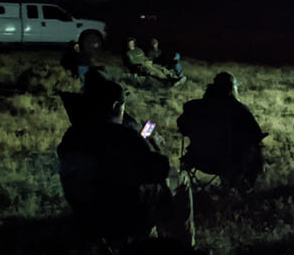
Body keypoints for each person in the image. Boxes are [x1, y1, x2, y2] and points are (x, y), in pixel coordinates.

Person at [57, 78, 194, 246]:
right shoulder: (126, 137)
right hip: (126, 215)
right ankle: (182, 247)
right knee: (181, 179)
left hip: (86, 212)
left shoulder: (72, 135)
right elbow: (160, 170)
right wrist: (152, 146)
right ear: (116, 106)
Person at [176, 72, 267, 189]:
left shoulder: (193, 107)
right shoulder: (239, 110)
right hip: (227, 162)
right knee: (255, 150)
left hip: (197, 159)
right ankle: (244, 189)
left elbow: (182, 128)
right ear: (231, 90)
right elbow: (256, 135)